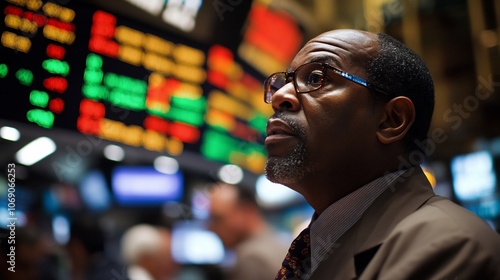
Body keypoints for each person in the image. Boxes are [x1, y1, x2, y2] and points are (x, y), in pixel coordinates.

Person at [263, 29, 500, 279]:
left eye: (315, 78)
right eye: (284, 82)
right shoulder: (314, 248)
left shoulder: (453, 247)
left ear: (391, 120)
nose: (280, 96)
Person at [207, 182, 288, 280]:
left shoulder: (252, 258)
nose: (211, 228)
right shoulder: (281, 242)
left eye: (217, 218)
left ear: (246, 210)